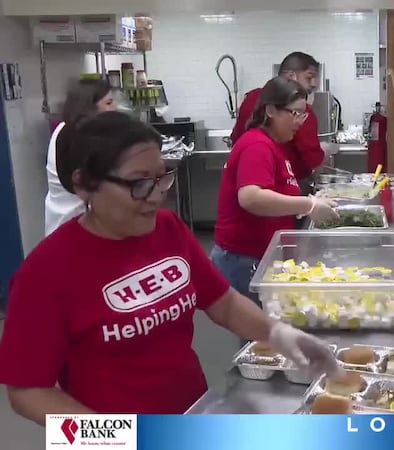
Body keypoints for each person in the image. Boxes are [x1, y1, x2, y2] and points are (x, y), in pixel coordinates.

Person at [0, 112, 342, 423]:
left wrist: (277, 334)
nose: (156, 195)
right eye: (138, 183)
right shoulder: (45, 273)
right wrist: (110, 438)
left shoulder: (168, 229)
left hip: (192, 413)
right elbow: (27, 393)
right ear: (84, 184)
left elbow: (222, 302)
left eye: (161, 177)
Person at [212, 77, 338, 343]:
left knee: (267, 336)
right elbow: (251, 197)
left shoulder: (274, 145)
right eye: (295, 114)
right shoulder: (257, 145)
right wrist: (308, 204)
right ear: (270, 110)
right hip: (243, 259)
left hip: (259, 255)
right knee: (261, 340)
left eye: (303, 115)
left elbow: (279, 191)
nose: (300, 122)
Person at [230, 52, 326, 182]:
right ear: (271, 110)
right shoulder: (258, 144)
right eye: (309, 77)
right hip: (280, 183)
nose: (314, 84)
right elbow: (312, 156)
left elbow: (235, 138)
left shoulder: (251, 98)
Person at [44, 79, 115, 236]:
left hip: (62, 219)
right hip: (73, 223)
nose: (115, 109)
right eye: (108, 103)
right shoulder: (78, 135)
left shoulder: (65, 127)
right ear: (89, 106)